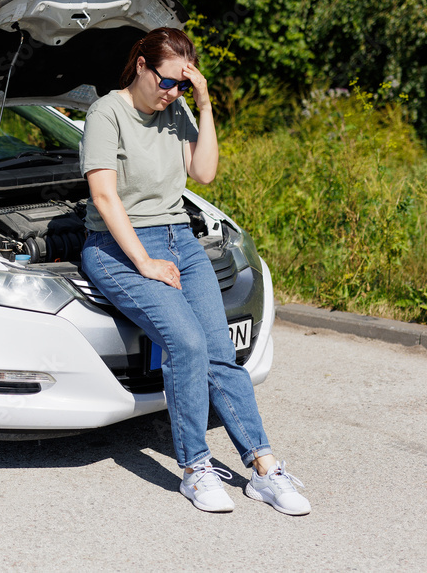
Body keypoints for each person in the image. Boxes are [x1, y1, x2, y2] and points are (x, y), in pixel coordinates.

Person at [78, 27, 310, 515]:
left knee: (220, 351)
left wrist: (203, 103)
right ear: (141, 65)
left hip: (180, 240)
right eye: (165, 82)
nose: (170, 93)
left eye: (181, 85)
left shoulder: (176, 109)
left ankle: (264, 468)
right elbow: (104, 196)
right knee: (186, 343)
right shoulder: (106, 112)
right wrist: (144, 262)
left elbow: (203, 173)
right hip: (117, 248)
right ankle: (195, 468)